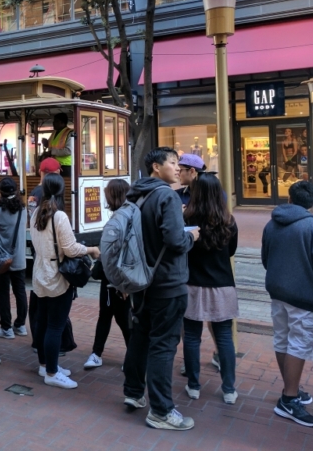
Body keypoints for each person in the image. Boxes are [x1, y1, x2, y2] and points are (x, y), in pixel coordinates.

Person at [123, 147, 199, 431]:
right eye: (172, 162)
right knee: (163, 345)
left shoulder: (138, 194)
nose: (177, 167)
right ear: (157, 167)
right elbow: (175, 240)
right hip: (167, 281)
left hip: (142, 281)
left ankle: (133, 392)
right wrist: (191, 235)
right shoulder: (166, 194)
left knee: (141, 337)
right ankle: (161, 411)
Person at [261, 180, 313, 428]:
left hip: (277, 291)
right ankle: (289, 398)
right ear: (312, 203)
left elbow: (265, 258)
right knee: (299, 344)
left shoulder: (272, 223)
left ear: (290, 198)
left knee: (283, 339)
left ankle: (290, 389)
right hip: (304, 296)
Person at [30, 173, 100, 388]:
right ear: (61, 191)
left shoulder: (35, 215)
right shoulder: (59, 216)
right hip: (56, 276)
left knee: (42, 323)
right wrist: (90, 249)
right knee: (55, 326)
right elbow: (69, 248)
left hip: (39, 272)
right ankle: (51, 373)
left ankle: (45, 364)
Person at [182, 174, 239, 404]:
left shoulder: (187, 218)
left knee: (192, 337)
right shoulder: (228, 220)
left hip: (193, 284)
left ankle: (193, 385)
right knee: (224, 336)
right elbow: (231, 251)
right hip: (222, 285)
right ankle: (229, 389)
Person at [84, 179, 131, 370]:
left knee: (122, 318)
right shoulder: (122, 216)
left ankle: (131, 354)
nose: (105, 197)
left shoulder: (123, 219)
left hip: (120, 279)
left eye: (108, 193)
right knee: (107, 315)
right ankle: (97, 353)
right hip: (111, 278)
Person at [0, 177, 28, 340]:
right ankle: (21, 325)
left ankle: (6, 327)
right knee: (20, 292)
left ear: (0, 192)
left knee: (3, 293)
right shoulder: (23, 209)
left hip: (2, 259)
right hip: (19, 258)